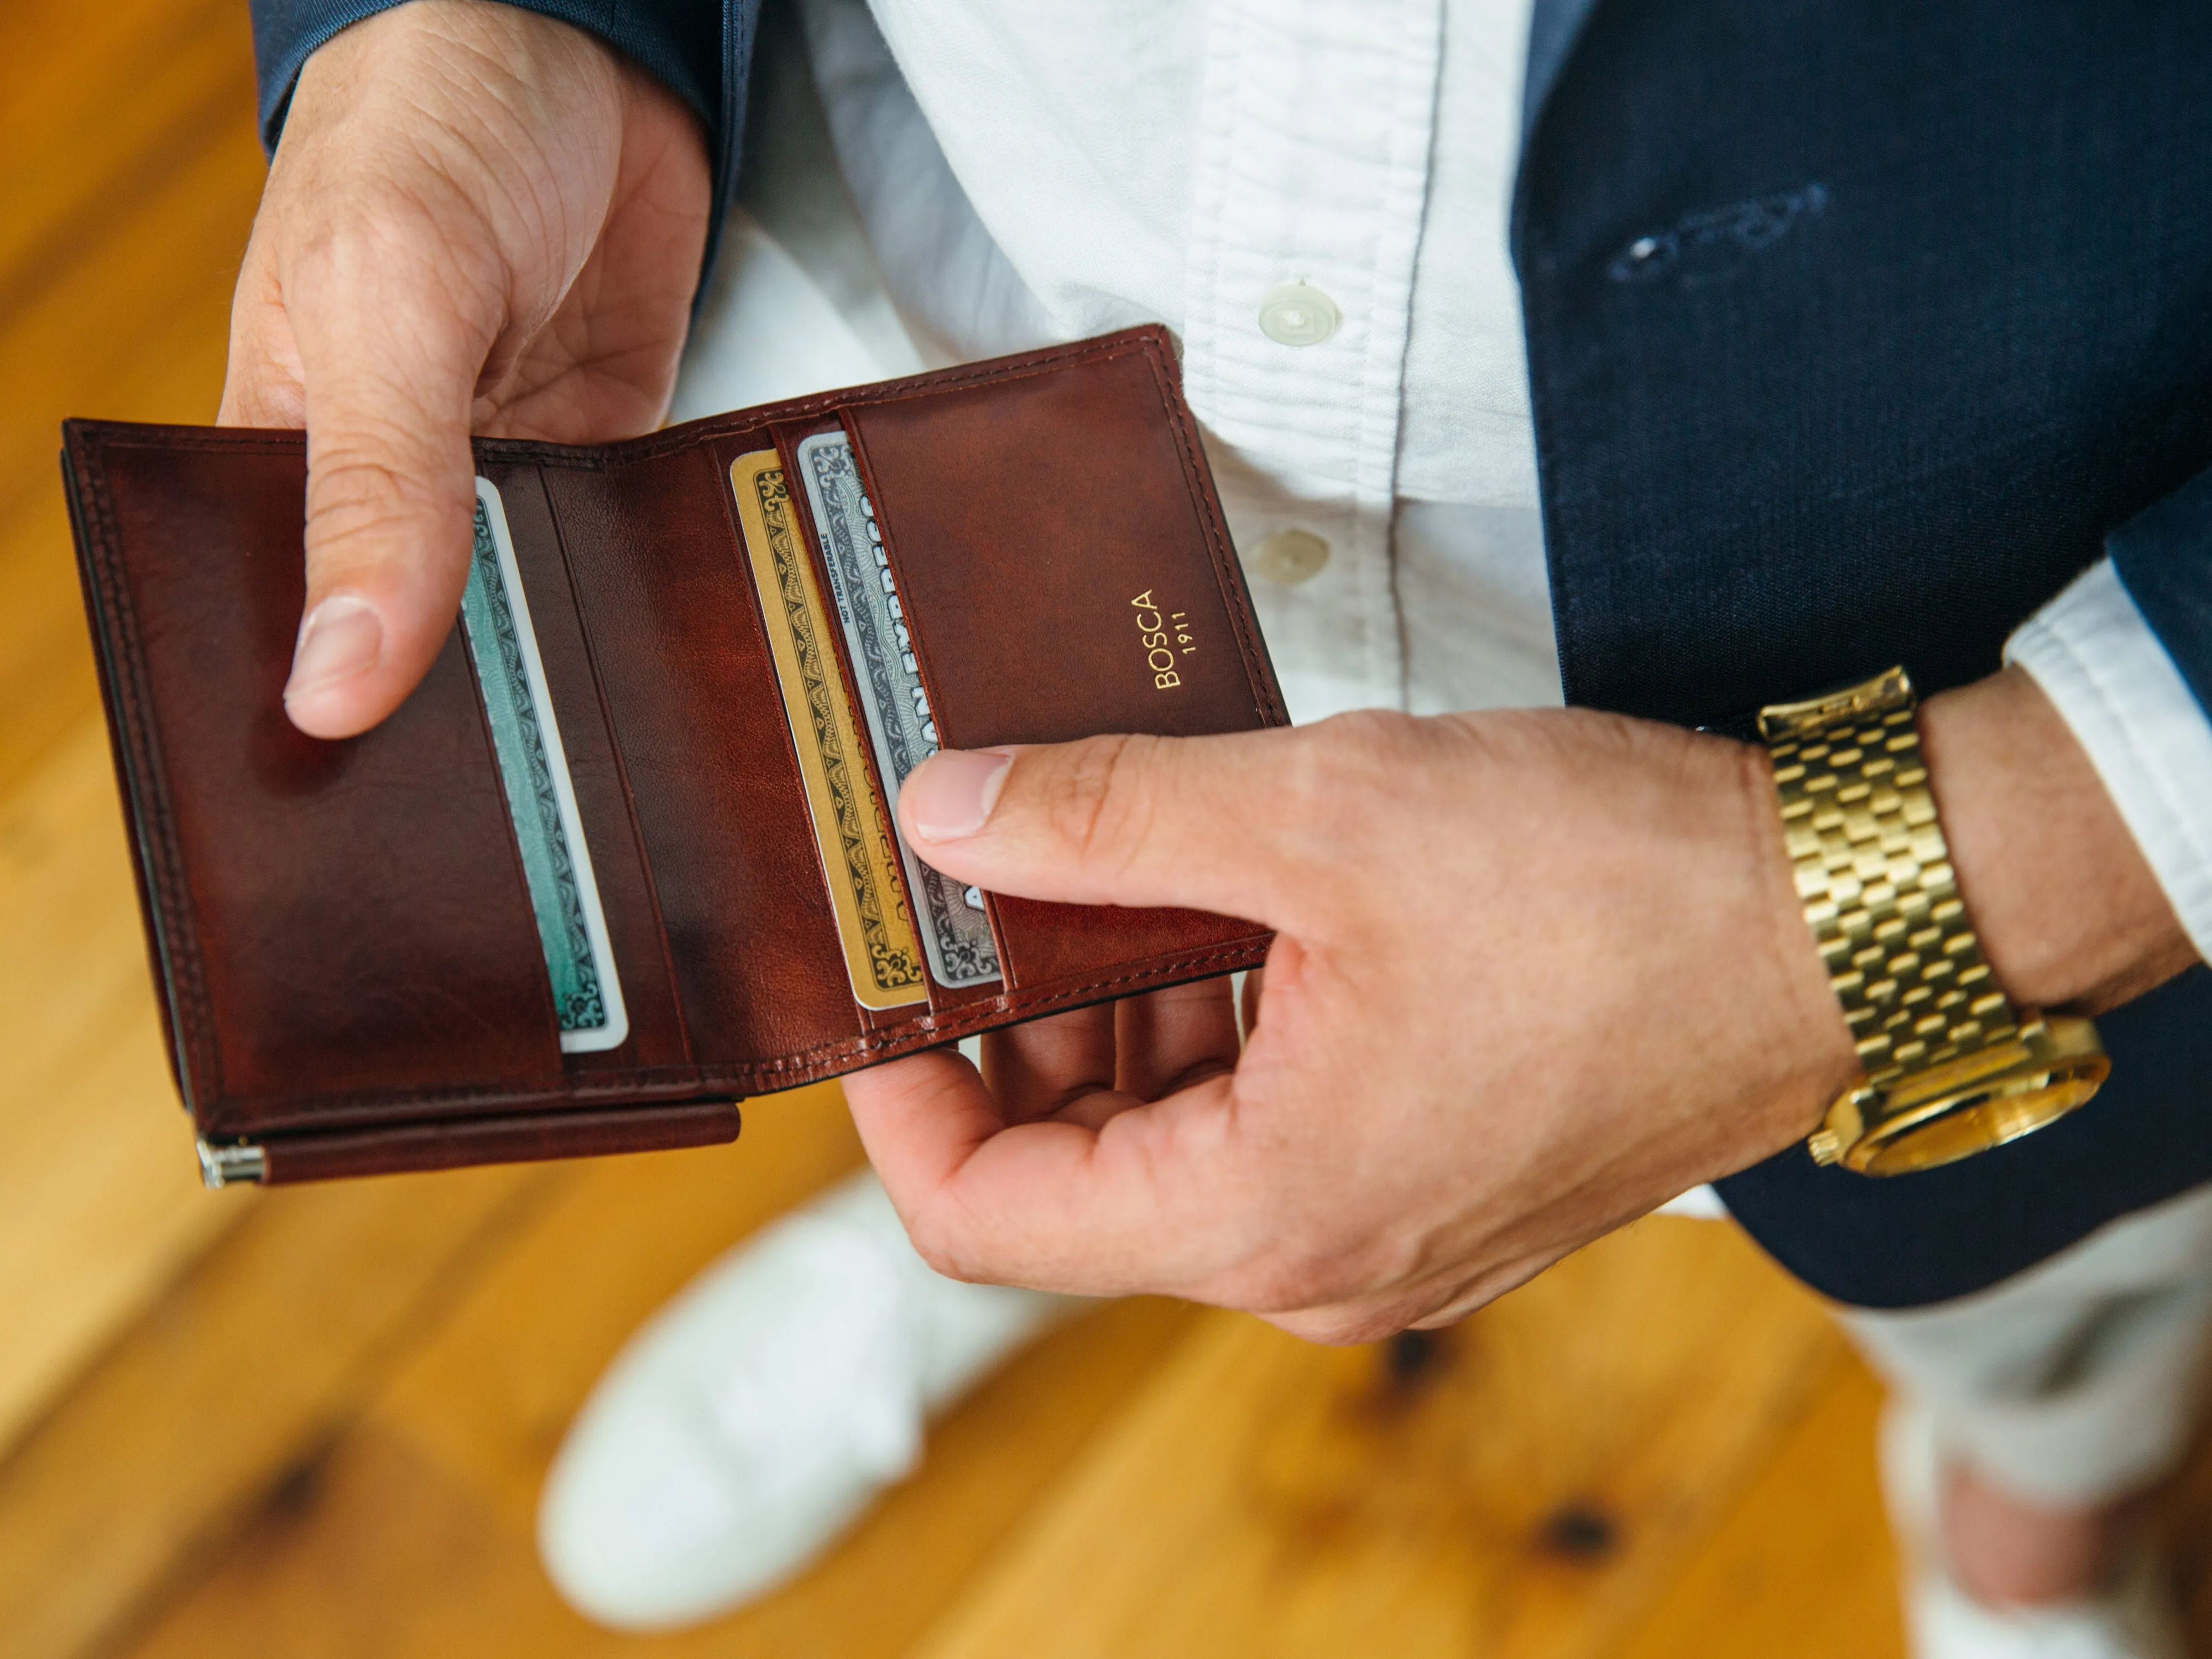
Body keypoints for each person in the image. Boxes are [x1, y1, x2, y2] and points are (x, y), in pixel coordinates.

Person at [225, 1, 2212, 1653]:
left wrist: (1907, 889)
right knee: (970, 976)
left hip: (1973, 620)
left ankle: (2041, 1515)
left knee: (2042, 1267)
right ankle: (1038, 1214)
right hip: (933, 344)